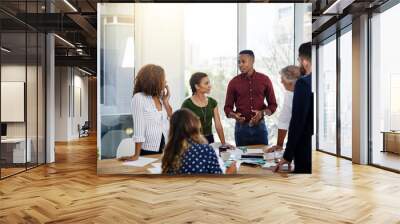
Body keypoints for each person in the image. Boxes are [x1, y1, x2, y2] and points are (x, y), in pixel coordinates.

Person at [224, 50, 277, 146]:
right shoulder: (233, 82)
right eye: (239, 62)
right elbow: (227, 108)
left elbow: (273, 105)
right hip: (241, 129)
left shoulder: (265, 80)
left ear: (252, 61)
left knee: (263, 158)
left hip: (260, 128)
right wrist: (234, 116)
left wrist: (262, 113)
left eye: (243, 61)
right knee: (241, 159)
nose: (240, 65)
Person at [120, 64, 173, 161]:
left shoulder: (160, 98)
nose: (165, 82)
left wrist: (166, 101)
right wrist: (136, 155)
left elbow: (171, 118)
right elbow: (139, 126)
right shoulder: (139, 98)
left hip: (165, 147)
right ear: (154, 80)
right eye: (163, 78)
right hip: (148, 149)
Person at [275, 42, 313, 173]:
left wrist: (287, 155)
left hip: (304, 148)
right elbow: (285, 119)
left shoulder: (303, 83)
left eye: (299, 59)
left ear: (304, 61)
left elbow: (297, 121)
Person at [162, 109, 236, 175]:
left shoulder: (169, 152)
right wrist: (230, 172)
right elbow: (219, 182)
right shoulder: (205, 150)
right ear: (194, 125)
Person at [181, 72, 229, 146]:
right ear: (197, 86)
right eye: (206, 83)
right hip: (193, 140)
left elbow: (218, 125)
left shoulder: (213, 102)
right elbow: (182, 127)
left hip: (209, 139)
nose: (210, 86)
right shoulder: (187, 104)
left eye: (209, 83)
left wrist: (224, 144)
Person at [264, 66, 301, 153]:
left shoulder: (308, 92)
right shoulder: (289, 93)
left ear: (291, 82)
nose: (281, 81)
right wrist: (279, 146)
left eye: (282, 79)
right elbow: (284, 120)